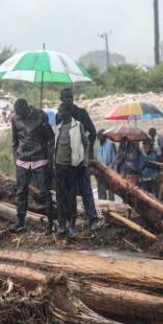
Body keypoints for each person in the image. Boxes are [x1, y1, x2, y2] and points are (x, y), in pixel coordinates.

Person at [10, 99, 55, 233]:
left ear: (27, 109)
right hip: (22, 160)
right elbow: (14, 141)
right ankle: (20, 222)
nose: (20, 117)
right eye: (18, 115)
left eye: (21, 114)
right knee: (21, 192)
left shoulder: (40, 115)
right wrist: (15, 158)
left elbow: (51, 137)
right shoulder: (14, 118)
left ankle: (50, 224)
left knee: (44, 193)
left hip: (39, 159)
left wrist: (49, 159)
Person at [59, 87, 101, 229]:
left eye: (70, 97)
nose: (68, 99)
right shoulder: (61, 116)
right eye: (65, 97)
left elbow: (93, 133)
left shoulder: (81, 113)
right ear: (61, 99)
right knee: (69, 192)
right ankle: (72, 222)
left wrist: (87, 153)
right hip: (65, 162)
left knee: (86, 190)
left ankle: (93, 219)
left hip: (80, 160)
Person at [53, 104, 90, 238]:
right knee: (60, 197)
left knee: (71, 197)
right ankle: (62, 225)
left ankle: (72, 226)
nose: (58, 114)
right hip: (59, 167)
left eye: (60, 111)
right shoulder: (58, 127)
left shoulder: (78, 126)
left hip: (72, 167)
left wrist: (85, 160)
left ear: (67, 112)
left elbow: (86, 143)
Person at [148, 127, 163, 205]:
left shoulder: (162, 141)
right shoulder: (152, 141)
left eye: (151, 134)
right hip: (158, 169)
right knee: (159, 189)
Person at [95, 130, 117, 201]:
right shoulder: (99, 147)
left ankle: (112, 209)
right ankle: (103, 209)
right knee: (101, 192)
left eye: (99, 136)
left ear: (104, 135)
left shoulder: (110, 144)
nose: (98, 138)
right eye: (97, 137)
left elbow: (114, 160)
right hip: (100, 172)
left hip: (108, 172)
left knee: (110, 193)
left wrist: (108, 170)